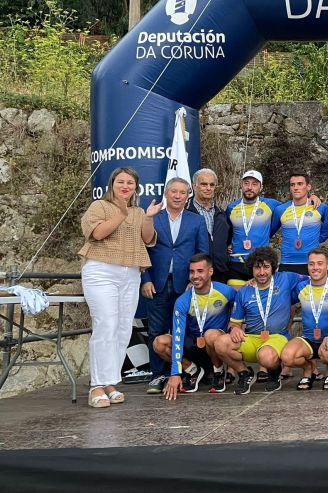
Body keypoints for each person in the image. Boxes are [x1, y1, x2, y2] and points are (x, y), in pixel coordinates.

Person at [79, 166, 158, 408]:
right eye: (121, 182)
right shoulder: (99, 207)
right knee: (106, 325)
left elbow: (147, 239)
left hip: (130, 273)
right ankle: (96, 386)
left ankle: (110, 382)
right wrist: (121, 213)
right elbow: (98, 233)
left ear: (136, 187)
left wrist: (148, 217)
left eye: (130, 183)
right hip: (101, 270)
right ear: (112, 183)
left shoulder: (138, 211)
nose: (125, 186)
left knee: (123, 328)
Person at [142, 177, 210, 395]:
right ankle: (157, 375)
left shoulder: (196, 220)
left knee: (186, 331)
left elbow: (202, 253)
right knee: (156, 330)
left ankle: (193, 369)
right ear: (166, 193)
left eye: (183, 192)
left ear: (187, 195)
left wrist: (196, 280)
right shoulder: (153, 217)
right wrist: (146, 280)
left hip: (186, 285)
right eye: (174, 192)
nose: (178, 196)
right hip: (158, 284)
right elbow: (142, 251)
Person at [214, 247, 306, 395]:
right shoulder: (244, 291)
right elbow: (235, 322)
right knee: (220, 343)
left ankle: (274, 374)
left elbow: (314, 279)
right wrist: (235, 329)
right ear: (251, 269)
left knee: (266, 357)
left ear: (273, 267)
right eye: (257, 268)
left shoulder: (286, 278)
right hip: (252, 337)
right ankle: (244, 373)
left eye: (266, 267)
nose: (262, 272)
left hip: (277, 337)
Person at [153, 254, 236, 400]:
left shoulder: (226, 291)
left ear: (210, 271)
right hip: (193, 345)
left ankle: (218, 372)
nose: (195, 276)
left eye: (200, 271)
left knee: (211, 334)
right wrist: (175, 373)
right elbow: (177, 337)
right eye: (192, 272)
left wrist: (252, 284)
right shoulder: (183, 300)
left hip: (215, 345)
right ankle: (192, 370)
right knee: (159, 343)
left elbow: (242, 306)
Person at [281, 250, 328, 391]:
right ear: (307, 266)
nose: (315, 268)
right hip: (307, 338)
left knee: (327, 355)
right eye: (311, 264)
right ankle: (308, 369)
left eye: (320, 264)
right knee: (287, 357)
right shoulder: (301, 287)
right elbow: (282, 298)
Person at [225, 170, 283, 288]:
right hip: (237, 262)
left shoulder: (272, 204)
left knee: (259, 302)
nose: (249, 187)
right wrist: (227, 245)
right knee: (237, 302)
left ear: (261, 187)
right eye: (246, 183)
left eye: (254, 184)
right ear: (241, 185)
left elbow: (293, 206)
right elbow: (228, 232)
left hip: (260, 264)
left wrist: (311, 197)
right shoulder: (231, 207)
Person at [273, 172, 326, 276]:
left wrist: (316, 239)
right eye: (292, 185)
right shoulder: (280, 209)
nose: (295, 188)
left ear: (308, 186)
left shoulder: (320, 207)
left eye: (300, 184)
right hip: (287, 263)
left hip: (311, 264)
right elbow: (268, 232)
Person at [186, 168, 230, 283]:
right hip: (194, 276)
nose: (208, 188)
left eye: (212, 184)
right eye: (204, 184)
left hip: (220, 275)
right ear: (194, 186)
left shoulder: (222, 213)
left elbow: (228, 240)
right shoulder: (184, 212)